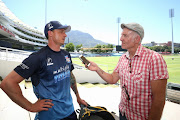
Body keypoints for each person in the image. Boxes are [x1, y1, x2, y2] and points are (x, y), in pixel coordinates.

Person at [1, 21, 87, 120]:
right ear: (50, 33)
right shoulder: (37, 58)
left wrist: (78, 98)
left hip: (70, 113)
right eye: (61, 31)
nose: (65, 34)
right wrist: (30, 106)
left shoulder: (66, 54)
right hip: (49, 116)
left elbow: (70, 76)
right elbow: (7, 83)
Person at [85, 23, 169, 120]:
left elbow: (159, 100)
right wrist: (97, 69)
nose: (121, 38)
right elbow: (112, 79)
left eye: (125, 35)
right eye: (121, 35)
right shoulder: (123, 58)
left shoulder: (154, 59)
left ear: (137, 39)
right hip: (123, 113)